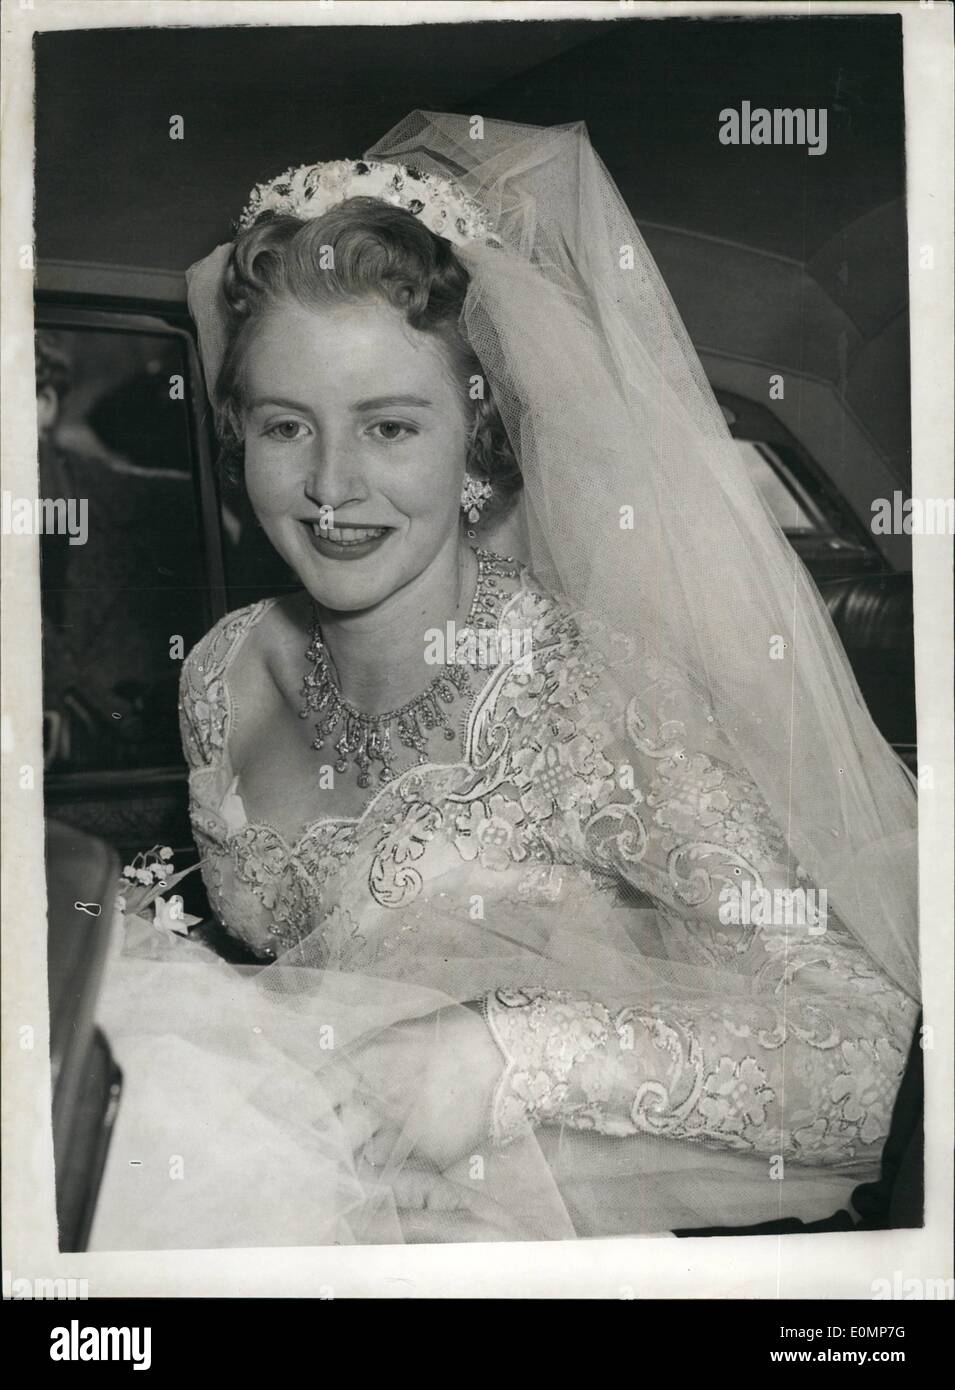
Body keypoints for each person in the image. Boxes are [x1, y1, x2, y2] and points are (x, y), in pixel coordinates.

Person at [88, 113, 920, 1248]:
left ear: (476, 440)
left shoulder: (587, 693)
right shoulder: (224, 670)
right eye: (287, 426)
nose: (331, 486)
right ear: (235, 432)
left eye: (390, 425)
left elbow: (880, 1059)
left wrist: (502, 1048)